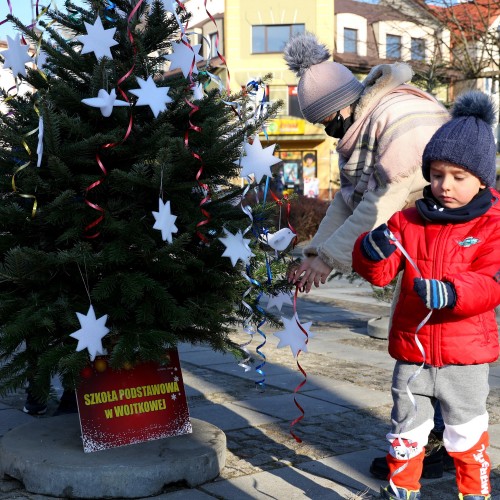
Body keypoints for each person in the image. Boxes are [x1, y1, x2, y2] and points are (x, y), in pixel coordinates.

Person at [283, 32, 450, 477]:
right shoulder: (367, 119)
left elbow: (380, 203)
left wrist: (328, 260)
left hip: (444, 245)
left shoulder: (397, 117)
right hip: (424, 241)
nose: (325, 130)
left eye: (324, 122)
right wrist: (315, 252)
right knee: (419, 339)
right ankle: (434, 438)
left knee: (429, 341)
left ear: (340, 108)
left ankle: (438, 445)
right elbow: (348, 200)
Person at [352, 90, 500, 500]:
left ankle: (474, 493)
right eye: (436, 174)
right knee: (406, 428)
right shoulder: (409, 220)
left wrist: (452, 292)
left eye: (458, 177)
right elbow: (379, 274)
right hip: (413, 350)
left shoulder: (494, 224)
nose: (444, 185)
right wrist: (368, 251)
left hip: (464, 356)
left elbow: (491, 283)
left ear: (481, 178)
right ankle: (401, 490)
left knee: (466, 433)